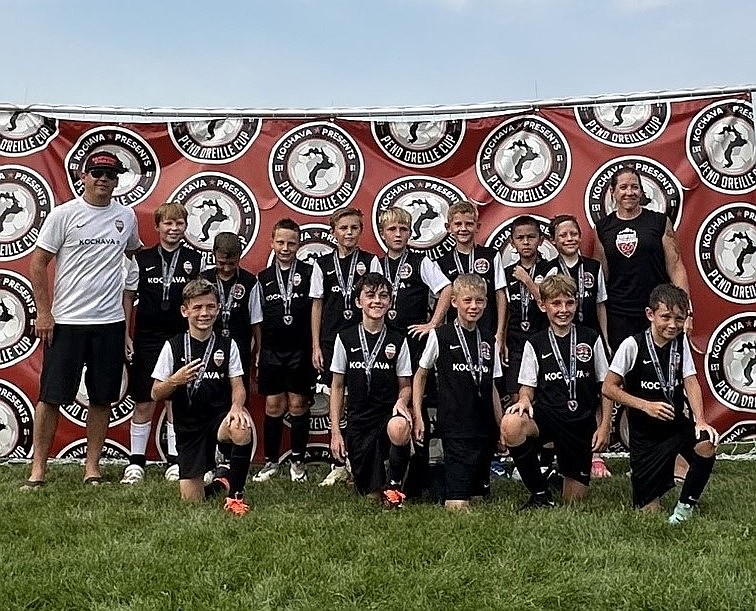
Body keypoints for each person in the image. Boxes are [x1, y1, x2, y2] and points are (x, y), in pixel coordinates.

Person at [24, 150, 142, 489]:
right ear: (83, 177)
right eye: (97, 174)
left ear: (117, 180)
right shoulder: (64, 215)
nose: (103, 180)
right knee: (50, 396)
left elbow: (133, 254)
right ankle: (38, 471)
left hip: (109, 323)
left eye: (111, 175)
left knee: (102, 398)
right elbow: (37, 264)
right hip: (67, 322)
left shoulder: (127, 217)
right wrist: (44, 312)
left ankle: (92, 469)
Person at [602, 284, 718, 524]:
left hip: (674, 425)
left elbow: (690, 381)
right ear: (650, 314)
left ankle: (685, 508)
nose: (673, 325)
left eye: (679, 318)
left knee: (707, 443)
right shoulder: (632, 345)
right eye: (666, 317)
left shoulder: (681, 343)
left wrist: (701, 420)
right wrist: (645, 405)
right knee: (648, 513)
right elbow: (608, 388)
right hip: (645, 437)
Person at [501, 275, 610, 508]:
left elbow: (606, 387)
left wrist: (605, 426)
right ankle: (539, 493)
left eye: (569, 303)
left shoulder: (590, 339)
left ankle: (555, 476)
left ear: (576, 304)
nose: (563, 310)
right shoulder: (536, 342)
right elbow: (527, 387)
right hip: (548, 418)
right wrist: (523, 400)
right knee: (511, 424)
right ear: (543, 306)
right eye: (556, 303)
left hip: (580, 424)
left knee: (573, 502)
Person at [151, 278, 253, 515]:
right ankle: (222, 481)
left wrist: (237, 407)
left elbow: (238, 385)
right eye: (197, 308)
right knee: (192, 501)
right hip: (188, 427)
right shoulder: (173, 346)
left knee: (241, 427)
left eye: (210, 306)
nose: (204, 313)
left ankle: (235, 496)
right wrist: (175, 381)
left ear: (218, 308)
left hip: (218, 419)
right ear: (185, 311)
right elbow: (155, 393)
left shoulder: (228, 345)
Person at [121, 202, 202, 484]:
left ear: (185, 227)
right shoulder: (141, 259)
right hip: (147, 338)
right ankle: (136, 462)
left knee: (174, 399)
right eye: (167, 223)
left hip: (180, 339)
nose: (173, 228)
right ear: (157, 227)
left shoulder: (195, 259)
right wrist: (126, 334)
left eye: (179, 223)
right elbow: (128, 297)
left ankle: (176, 461)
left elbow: (199, 302)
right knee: (144, 400)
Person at [377, 207, 452, 497]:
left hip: (415, 342)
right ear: (383, 234)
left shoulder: (421, 262)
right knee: (389, 406)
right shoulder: (375, 264)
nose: (397, 234)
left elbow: (446, 289)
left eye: (403, 230)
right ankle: (389, 475)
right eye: (392, 230)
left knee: (420, 406)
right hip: (384, 345)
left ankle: (420, 477)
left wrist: (433, 323)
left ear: (411, 233)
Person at [413, 274, 504, 511]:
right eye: (467, 301)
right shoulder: (441, 336)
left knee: (479, 500)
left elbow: (492, 385)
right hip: (455, 425)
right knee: (456, 504)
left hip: (483, 427)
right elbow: (421, 375)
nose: (474, 306)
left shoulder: (488, 339)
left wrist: (500, 425)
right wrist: (418, 415)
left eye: (479, 301)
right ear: (454, 302)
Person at [328, 273, 413, 508]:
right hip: (359, 421)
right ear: (358, 302)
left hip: (387, 415)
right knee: (369, 494)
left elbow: (406, 385)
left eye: (383, 296)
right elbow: (336, 386)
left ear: (390, 302)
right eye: (370, 295)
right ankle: (367, 476)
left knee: (399, 426)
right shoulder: (344, 338)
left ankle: (395, 488)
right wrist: (336, 431)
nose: (377, 301)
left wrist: (402, 402)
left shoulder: (397, 338)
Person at [310, 207, 381, 485]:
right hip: (330, 340)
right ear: (334, 232)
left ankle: (357, 460)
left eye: (354, 228)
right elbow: (317, 304)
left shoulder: (370, 261)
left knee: (359, 401)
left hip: (362, 340)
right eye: (344, 228)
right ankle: (337, 462)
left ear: (360, 231)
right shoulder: (322, 264)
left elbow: (377, 302)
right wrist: (315, 344)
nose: (349, 233)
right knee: (335, 400)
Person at [592, 166, 692, 353]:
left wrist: (686, 311)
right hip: (619, 315)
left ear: (641, 191)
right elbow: (600, 278)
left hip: (659, 311)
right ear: (612, 192)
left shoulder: (660, 222)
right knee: (624, 376)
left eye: (634, 187)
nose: (629, 192)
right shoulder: (602, 228)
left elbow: (676, 267)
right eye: (623, 187)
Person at [545, 214, 612, 479]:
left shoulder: (593, 268)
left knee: (593, 393)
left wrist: (605, 338)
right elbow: (543, 302)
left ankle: (595, 452)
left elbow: (600, 304)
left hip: (589, 337)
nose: (570, 239)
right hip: (559, 338)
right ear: (553, 240)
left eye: (574, 234)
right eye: (563, 235)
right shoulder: (549, 268)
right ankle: (555, 455)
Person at [252, 218, 316, 483]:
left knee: (298, 404)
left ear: (299, 244)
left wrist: (314, 347)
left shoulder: (311, 273)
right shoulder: (263, 278)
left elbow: (316, 310)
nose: (286, 248)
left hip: (300, 350)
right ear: (272, 243)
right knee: (274, 404)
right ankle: (270, 462)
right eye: (280, 242)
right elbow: (257, 318)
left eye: (291, 243)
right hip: (272, 350)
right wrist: (258, 348)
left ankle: (298, 460)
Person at [201, 232, 262, 475]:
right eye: (221, 262)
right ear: (214, 254)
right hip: (205, 349)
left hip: (238, 351)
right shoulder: (203, 279)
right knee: (207, 398)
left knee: (236, 399)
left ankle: (228, 457)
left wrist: (259, 348)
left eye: (232, 263)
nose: (226, 268)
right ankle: (206, 456)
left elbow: (256, 319)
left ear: (240, 257)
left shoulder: (250, 282)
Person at [436, 201, 506, 353]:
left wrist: (500, 334)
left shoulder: (491, 256)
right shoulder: (441, 263)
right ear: (449, 228)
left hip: (488, 329)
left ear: (477, 227)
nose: (463, 229)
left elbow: (500, 295)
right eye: (458, 224)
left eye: (468, 224)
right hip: (455, 333)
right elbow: (440, 303)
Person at [502, 215, 552, 402]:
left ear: (540, 240)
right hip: (515, 342)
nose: (526, 242)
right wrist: (503, 339)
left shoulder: (550, 269)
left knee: (542, 394)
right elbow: (504, 309)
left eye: (531, 237)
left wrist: (528, 281)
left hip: (543, 339)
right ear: (512, 242)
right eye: (520, 238)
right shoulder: (506, 272)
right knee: (517, 396)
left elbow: (551, 306)